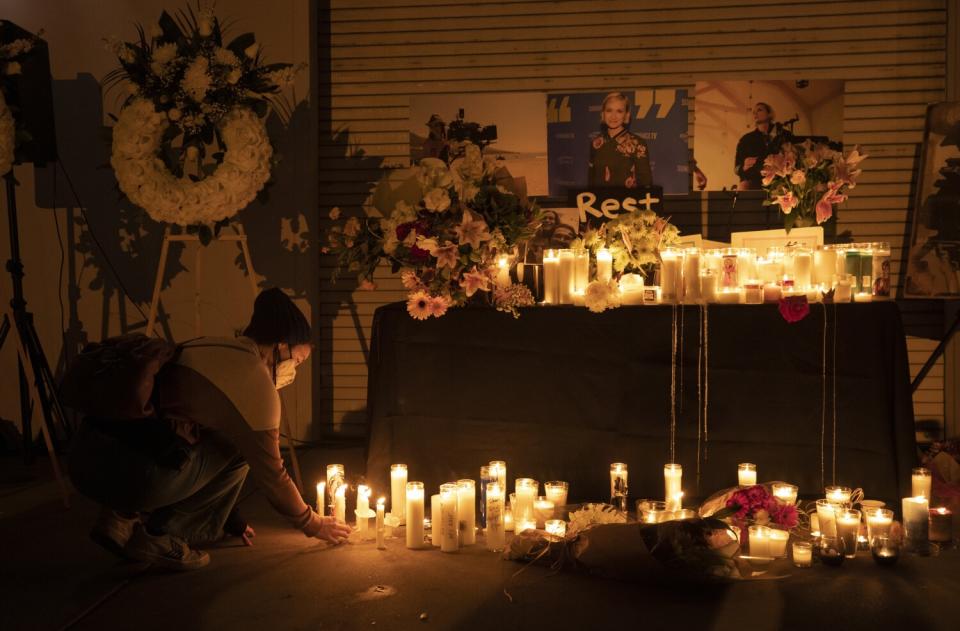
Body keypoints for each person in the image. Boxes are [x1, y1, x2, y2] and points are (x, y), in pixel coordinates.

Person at [69, 288, 351, 570]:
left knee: (223, 438)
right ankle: (161, 537)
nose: (294, 371)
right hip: (134, 474)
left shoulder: (208, 345)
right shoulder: (256, 381)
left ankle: (119, 517)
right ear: (281, 346)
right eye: (297, 361)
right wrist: (313, 523)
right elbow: (273, 476)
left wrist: (229, 517)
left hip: (86, 459)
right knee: (242, 449)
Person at [587, 92, 653, 189]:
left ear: (626, 116)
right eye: (609, 110)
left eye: (619, 111)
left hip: (628, 202)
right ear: (603, 114)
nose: (613, 116)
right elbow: (591, 181)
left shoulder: (637, 144)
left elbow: (646, 183)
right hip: (600, 202)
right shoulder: (596, 143)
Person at [734, 102, 778, 190]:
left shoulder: (781, 135)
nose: (755, 113)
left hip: (778, 182)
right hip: (753, 182)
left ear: (769, 114)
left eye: (759, 110)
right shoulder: (746, 140)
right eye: (754, 112)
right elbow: (736, 168)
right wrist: (744, 166)